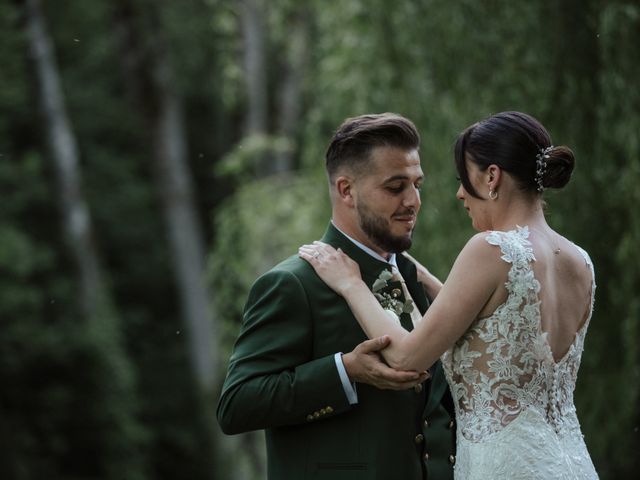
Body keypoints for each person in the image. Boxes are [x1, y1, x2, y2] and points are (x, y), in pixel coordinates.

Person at [300, 111, 598, 479]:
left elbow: (406, 357)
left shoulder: (490, 249)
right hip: (569, 462)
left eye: (463, 178)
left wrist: (350, 284)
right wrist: (426, 280)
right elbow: (503, 330)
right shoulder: (579, 261)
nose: (459, 193)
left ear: (491, 177)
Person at [217, 113, 456, 479]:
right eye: (395, 187)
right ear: (347, 190)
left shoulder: (412, 275)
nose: (413, 201)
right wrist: (344, 371)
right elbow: (237, 405)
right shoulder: (292, 283)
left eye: (416, 184)